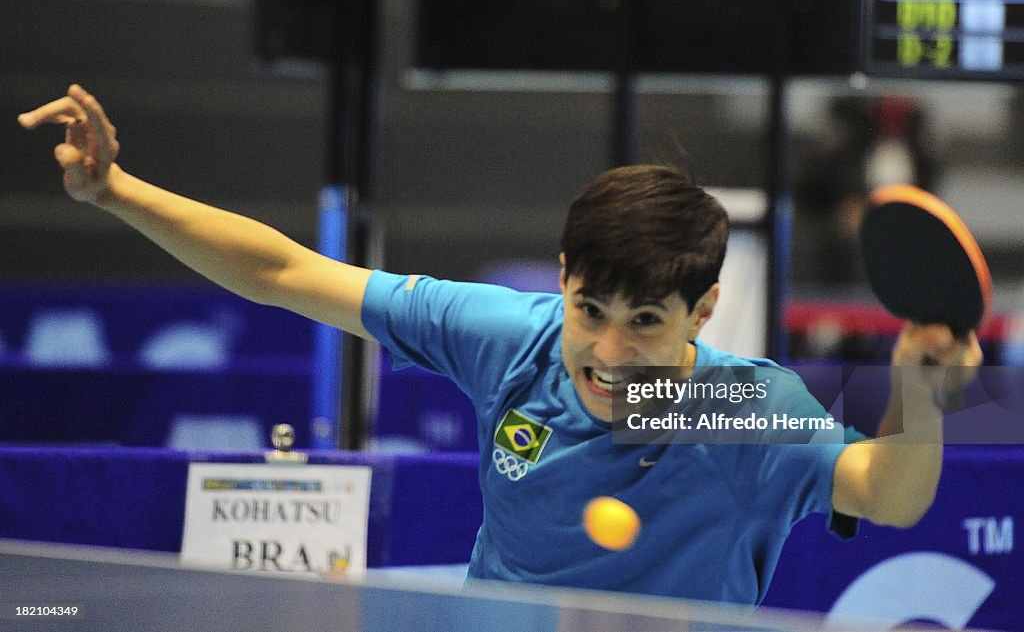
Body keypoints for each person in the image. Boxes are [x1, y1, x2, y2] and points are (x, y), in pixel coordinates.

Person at [19, 85, 982, 605]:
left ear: (705, 311)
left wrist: (920, 396)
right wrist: (116, 192)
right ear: (561, 276)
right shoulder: (511, 342)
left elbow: (888, 495)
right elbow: (285, 272)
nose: (606, 350)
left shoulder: (732, 406)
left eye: (645, 321)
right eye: (588, 306)